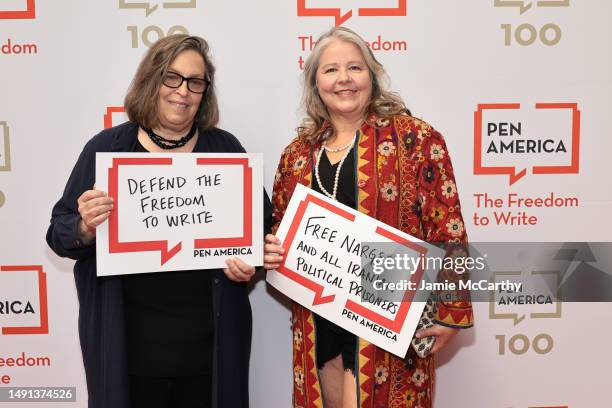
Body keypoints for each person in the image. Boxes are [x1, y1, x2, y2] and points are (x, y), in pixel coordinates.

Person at [46, 34, 270, 408]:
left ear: (205, 91)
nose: (183, 91)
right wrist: (85, 226)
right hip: (127, 354)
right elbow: (59, 233)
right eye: (172, 77)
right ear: (152, 80)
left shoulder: (225, 149)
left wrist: (252, 263)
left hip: (209, 355)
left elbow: (263, 235)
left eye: (195, 81)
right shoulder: (107, 149)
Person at [264, 27, 473, 407]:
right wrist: (271, 250)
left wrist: (451, 309)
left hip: (391, 328)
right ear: (315, 83)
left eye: (354, 67)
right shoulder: (296, 154)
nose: (343, 78)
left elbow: (448, 227)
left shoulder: (417, 139)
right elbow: (279, 228)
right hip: (319, 323)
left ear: (371, 76)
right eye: (330, 70)